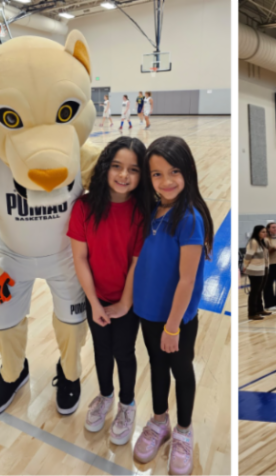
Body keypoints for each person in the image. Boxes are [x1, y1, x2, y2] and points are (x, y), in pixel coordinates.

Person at [130, 136, 212, 476]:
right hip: (147, 313)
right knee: (157, 367)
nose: (166, 182)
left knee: (181, 370)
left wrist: (173, 326)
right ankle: (159, 420)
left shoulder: (189, 218)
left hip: (176, 319)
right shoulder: (150, 210)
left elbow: (187, 280)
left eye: (174, 171)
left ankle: (183, 430)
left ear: (187, 171)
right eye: (157, 174)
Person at [66, 137, 148, 443]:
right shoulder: (84, 207)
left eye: (133, 169)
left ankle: (127, 403)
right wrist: (94, 303)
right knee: (101, 351)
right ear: (105, 167)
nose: (124, 175)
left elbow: (136, 262)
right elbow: (80, 258)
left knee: (123, 352)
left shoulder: (142, 211)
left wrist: (125, 302)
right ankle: (105, 395)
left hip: (128, 299)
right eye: (117, 166)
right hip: (95, 297)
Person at [243, 225, 270, 320]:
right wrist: (245, 266)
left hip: (263, 268)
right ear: (257, 232)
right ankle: (252, 313)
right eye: (263, 232)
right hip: (254, 270)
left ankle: (260, 309)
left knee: (260, 290)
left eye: (265, 231)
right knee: (254, 292)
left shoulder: (263, 242)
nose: (265, 233)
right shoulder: (253, 242)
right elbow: (248, 256)